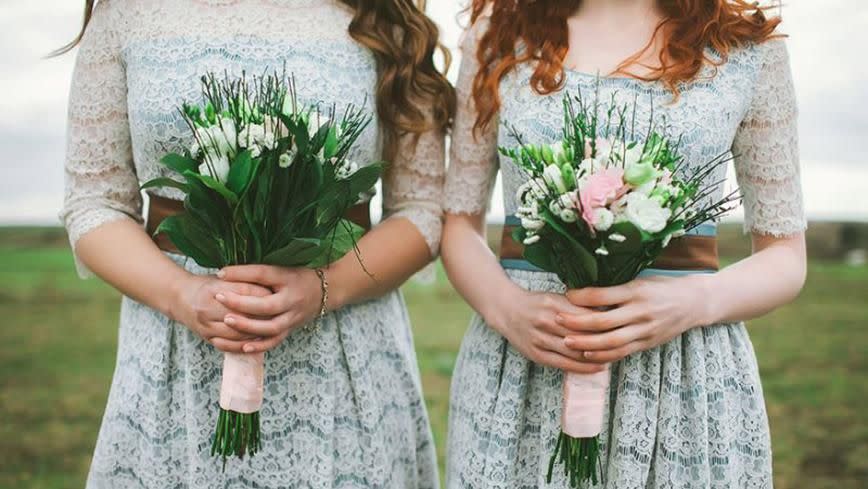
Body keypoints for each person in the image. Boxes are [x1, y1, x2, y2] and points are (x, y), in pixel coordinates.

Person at [59, 0, 454, 487]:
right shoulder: (127, 11)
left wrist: (323, 288)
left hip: (345, 354)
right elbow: (94, 201)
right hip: (175, 352)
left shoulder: (386, 15)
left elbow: (421, 210)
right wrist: (184, 295)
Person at [441, 0, 807, 487]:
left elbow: (785, 255)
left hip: (683, 371)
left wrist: (693, 302)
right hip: (524, 364)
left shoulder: (745, 48)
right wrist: (506, 308)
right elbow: (459, 225)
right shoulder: (498, 36)